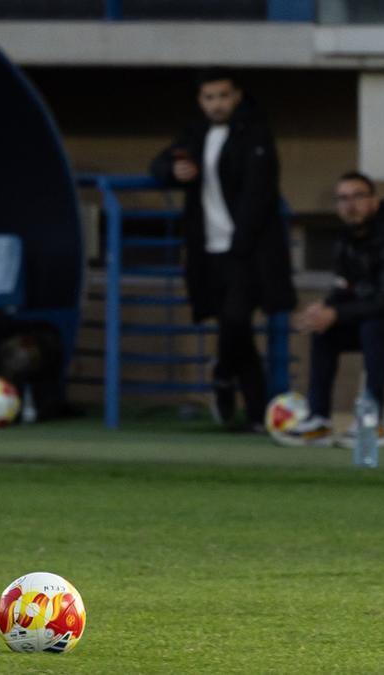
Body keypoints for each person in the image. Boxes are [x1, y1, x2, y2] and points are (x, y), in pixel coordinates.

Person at [150, 68, 296, 431]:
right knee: (238, 331)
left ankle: (220, 375)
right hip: (207, 248)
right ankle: (257, 411)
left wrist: (240, 244)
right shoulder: (195, 134)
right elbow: (160, 164)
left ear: (237, 96)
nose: (217, 104)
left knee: (234, 319)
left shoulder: (255, 133)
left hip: (244, 249)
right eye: (209, 97)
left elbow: (259, 195)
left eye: (223, 96)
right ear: (201, 101)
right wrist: (173, 170)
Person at [282, 173, 384, 446]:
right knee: (326, 331)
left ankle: (372, 421)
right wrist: (324, 310)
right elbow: (346, 290)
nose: (350, 205)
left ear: (374, 201)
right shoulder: (347, 241)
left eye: (358, 196)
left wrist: (337, 313)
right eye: (343, 199)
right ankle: (318, 419)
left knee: (373, 328)